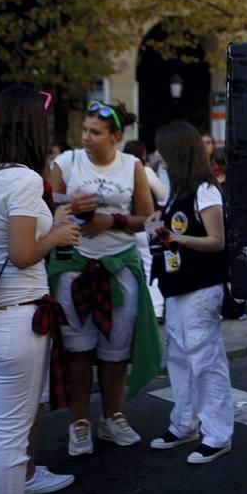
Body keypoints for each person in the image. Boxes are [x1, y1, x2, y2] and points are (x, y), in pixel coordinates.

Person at [0, 86, 79, 494]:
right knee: (11, 438)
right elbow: (22, 253)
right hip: (16, 317)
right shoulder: (22, 179)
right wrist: (55, 234)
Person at [48, 100, 163, 457]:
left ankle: (114, 417)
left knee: (116, 351)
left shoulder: (132, 165)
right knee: (78, 351)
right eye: (84, 130)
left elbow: (146, 215)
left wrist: (109, 221)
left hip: (118, 266)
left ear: (116, 136)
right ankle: (79, 422)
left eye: (95, 132)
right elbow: (45, 210)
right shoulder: (66, 163)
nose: (86, 137)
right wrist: (71, 210)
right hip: (75, 266)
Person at [147, 121, 234, 464]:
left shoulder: (204, 190)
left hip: (200, 287)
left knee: (204, 358)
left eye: (163, 149)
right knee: (180, 357)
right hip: (177, 285)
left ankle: (217, 433)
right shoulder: (178, 190)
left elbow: (217, 241)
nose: (158, 155)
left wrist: (179, 239)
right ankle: (184, 423)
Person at [123, 140, 168, 320]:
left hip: (128, 223)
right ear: (142, 153)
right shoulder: (146, 170)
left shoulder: (121, 171)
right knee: (152, 265)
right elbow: (163, 195)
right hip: (150, 222)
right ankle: (156, 308)